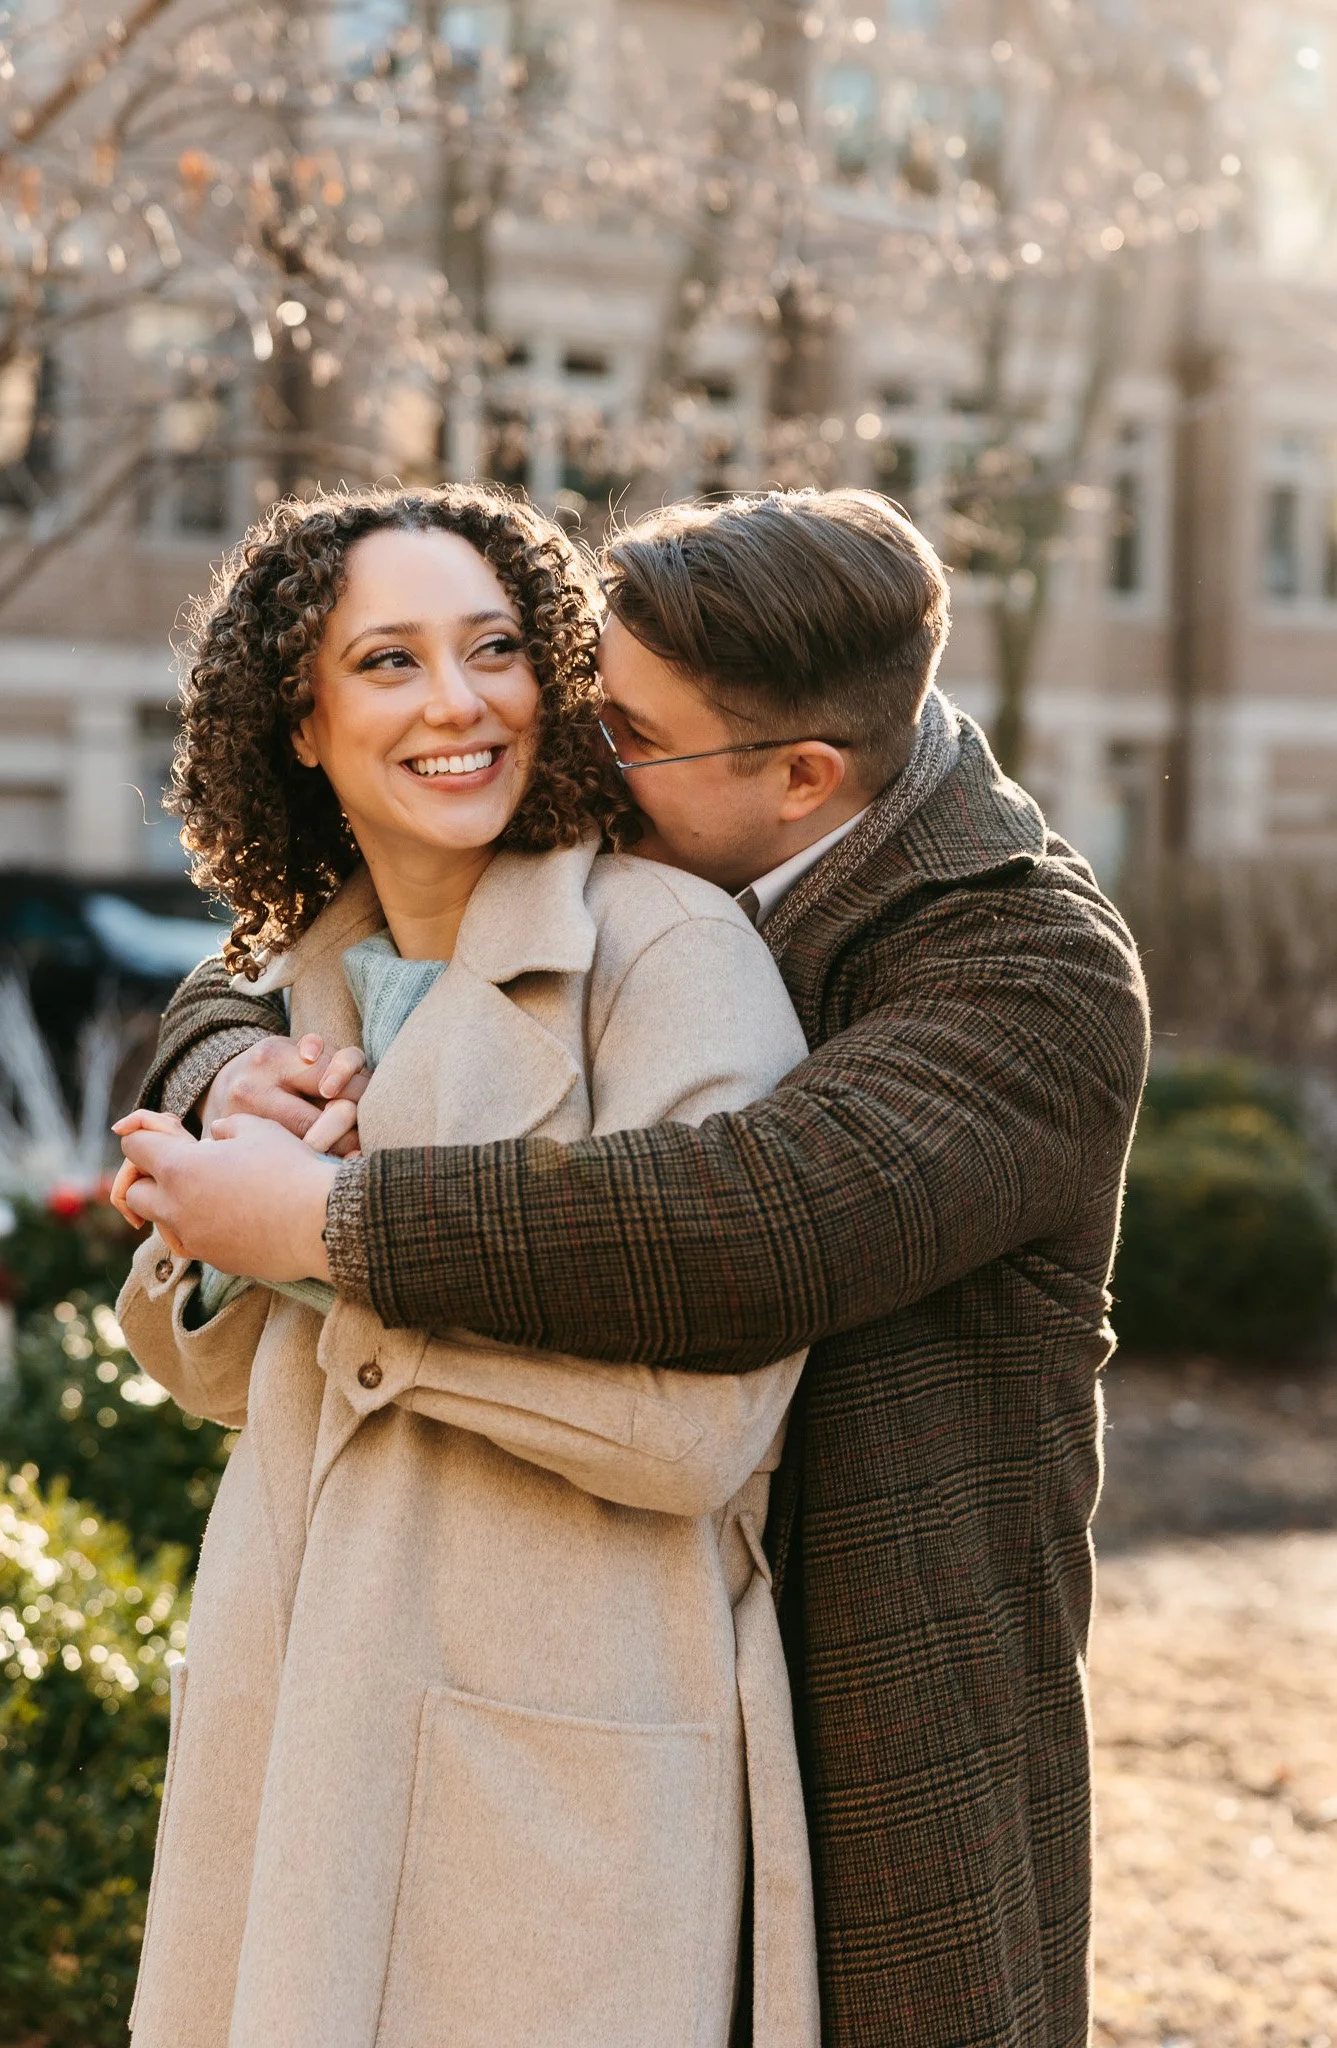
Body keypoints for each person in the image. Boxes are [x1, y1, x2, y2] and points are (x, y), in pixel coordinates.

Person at [121, 487, 1152, 2048]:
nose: (565, 744)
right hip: (553, 1652)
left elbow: (744, 1221)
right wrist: (220, 1069)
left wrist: (321, 1231)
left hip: (874, 1657)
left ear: (801, 778)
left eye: (625, 731)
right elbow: (301, 929)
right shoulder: (658, 813)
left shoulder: (1022, 969)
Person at [111, 484, 821, 2048]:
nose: (459, 703)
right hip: (295, 1731)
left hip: (558, 1768)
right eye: (389, 662)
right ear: (297, 722)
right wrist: (205, 1211)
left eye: (494, 648)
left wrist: (317, 1256)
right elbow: (213, 1374)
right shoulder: (297, 985)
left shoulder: (669, 956)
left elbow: (702, 1429)